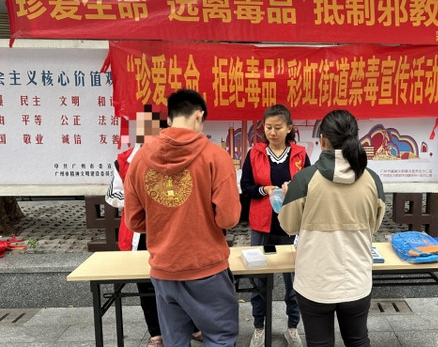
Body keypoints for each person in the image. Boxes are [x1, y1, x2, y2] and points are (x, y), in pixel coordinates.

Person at [124, 89, 241, 347]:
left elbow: (134, 221)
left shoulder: (140, 158)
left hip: (164, 270)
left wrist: (163, 220)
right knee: (220, 338)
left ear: (169, 119)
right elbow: (229, 218)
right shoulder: (216, 156)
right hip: (207, 268)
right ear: (199, 115)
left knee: (174, 340)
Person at [278, 109, 386, 347]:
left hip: (315, 283)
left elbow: (289, 225)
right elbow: (375, 225)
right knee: (358, 341)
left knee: (319, 343)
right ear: (355, 138)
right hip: (357, 281)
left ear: (322, 140)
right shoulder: (372, 180)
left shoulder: (304, 180)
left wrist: (287, 197)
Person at [105, 108, 203, 347]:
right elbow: (112, 195)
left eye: (156, 129)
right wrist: (141, 200)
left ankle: (191, 325)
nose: (149, 134)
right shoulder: (124, 160)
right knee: (146, 283)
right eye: (144, 129)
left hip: (174, 231)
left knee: (182, 280)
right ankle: (156, 331)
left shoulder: (177, 156)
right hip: (140, 233)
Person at [240, 104, 311, 347]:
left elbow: (310, 187)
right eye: (268, 127)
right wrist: (264, 190)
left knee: (294, 281)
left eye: (278, 127)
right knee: (258, 280)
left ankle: (292, 327)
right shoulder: (255, 154)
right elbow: (246, 187)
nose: (272, 132)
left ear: (289, 128)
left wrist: (294, 190)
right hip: (262, 227)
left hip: (290, 227)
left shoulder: (300, 155)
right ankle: (259, 327)